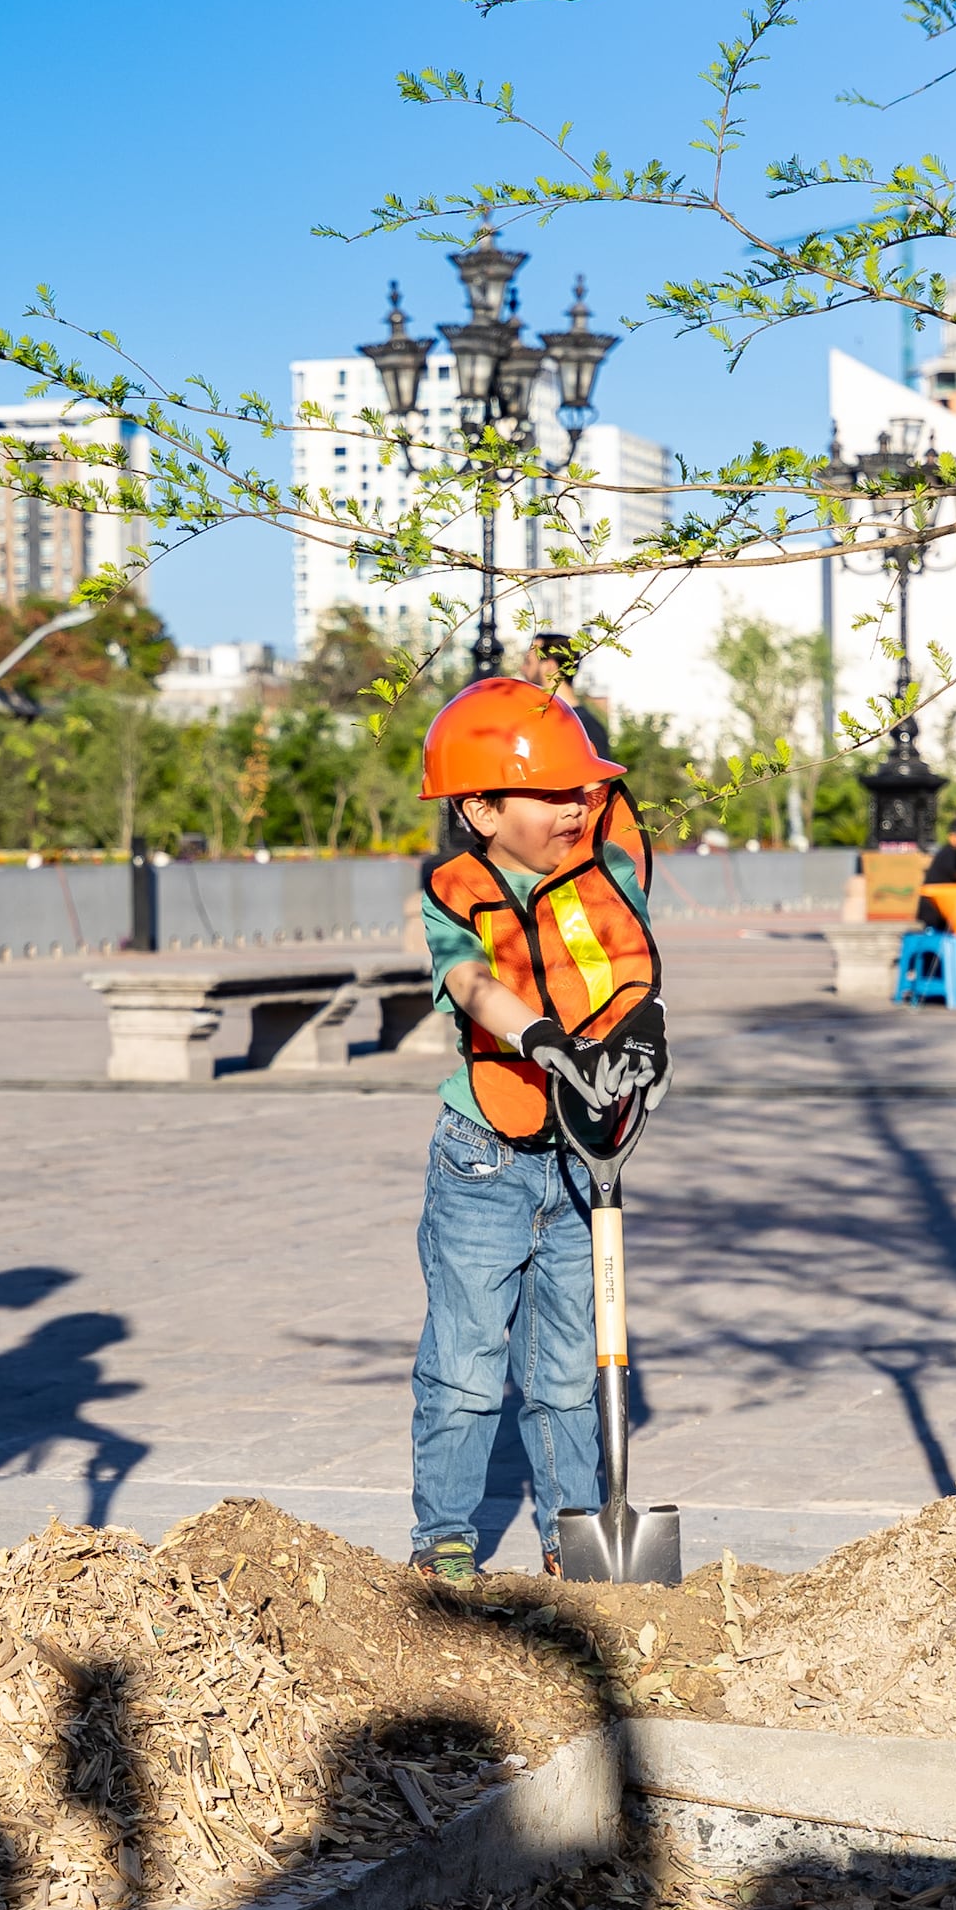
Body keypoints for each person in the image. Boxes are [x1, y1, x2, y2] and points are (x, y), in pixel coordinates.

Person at [409, 675, 664, 1581]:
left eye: (580, 790)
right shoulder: (455, 893)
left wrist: (642, 1045)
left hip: (582, 1159)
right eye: (550, 792)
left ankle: (573, 1537)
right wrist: (539, 1034)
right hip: (484, 1158)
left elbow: (624, 838)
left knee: (566, 1374)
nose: (574, 807)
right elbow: (474, 982)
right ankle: (444, 1537)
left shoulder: (606, 876)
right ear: (478, 807)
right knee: (468, 1363)